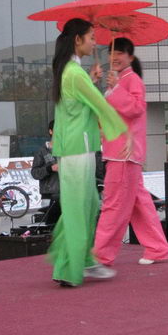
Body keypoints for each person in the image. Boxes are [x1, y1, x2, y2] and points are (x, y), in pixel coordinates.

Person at [48, 18, 130, 288]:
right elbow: (100, 106)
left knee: (87, 204)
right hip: (76, 149)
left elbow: (81, 105)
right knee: (79, 208)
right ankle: (70, 267)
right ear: (78, 40)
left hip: (74, 147)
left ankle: (77, 261)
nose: (95, 43)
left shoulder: (70, 71)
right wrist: (124, 133)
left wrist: (92, 80)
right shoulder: (73, 72)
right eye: (92, 37)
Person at [94, 37, 168, 266]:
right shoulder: (118, 81)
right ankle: (157, 248)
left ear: (130, 57)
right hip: (122, 152)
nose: (114, 57)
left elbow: (137, 108)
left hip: (123, 153)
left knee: (114, 204)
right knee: (139, 205)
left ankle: (101, 255)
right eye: (111, 52)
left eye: (120, 53)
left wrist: (116, 88)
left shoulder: (131, 80)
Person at [31, 120, 61, 225]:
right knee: (49, 227)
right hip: (49, 195)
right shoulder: (42, 151)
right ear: (51, 131)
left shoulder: (68, 150)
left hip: (66, 195)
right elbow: (34, 173)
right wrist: (50, 169)